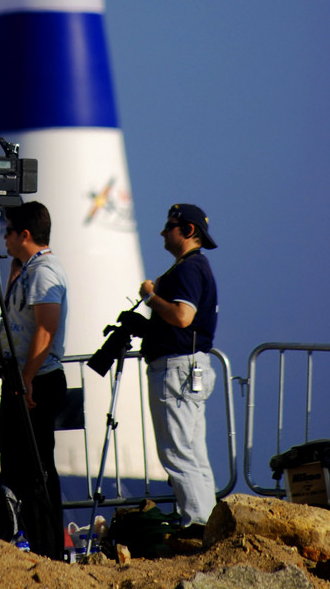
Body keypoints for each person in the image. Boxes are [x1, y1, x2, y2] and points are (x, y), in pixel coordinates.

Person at [138, 203, 218, 537]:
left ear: (187, 230)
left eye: (169, 226)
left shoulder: (188, 268)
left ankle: (197, 525)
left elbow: (183, 317)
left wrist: (150, 297)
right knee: (193, 453)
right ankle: (210, 523)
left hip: (176, 370)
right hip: (189, 367)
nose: (162, 231)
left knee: (178, 454)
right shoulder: (196, 267)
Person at [0, 201, 68, 560]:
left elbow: (46, 327)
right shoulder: (28, 270)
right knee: (19, 463)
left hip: (37, 380)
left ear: (25, 234)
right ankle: (30, 539)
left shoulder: (44, 271)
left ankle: (47, 549)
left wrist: (26, 379)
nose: (2, 238)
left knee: (37, 469)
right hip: (24, 380)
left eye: (7, 231)